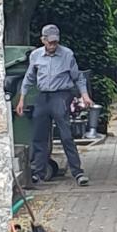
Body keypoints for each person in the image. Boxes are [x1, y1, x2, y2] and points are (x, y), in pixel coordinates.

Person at [17, 24, 94, 186]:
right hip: (43, 96)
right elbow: (29, 78)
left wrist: (85, 95)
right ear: (43, 40)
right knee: (39, 136)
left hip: (60, 95)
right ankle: (38, 172)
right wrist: (22, 99)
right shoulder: (36, 55)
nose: (53, 45)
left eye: (55, 42)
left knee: (66, 135)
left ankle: (77, 172)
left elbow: (78, 77)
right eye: (50, 42)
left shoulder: (67, 54)